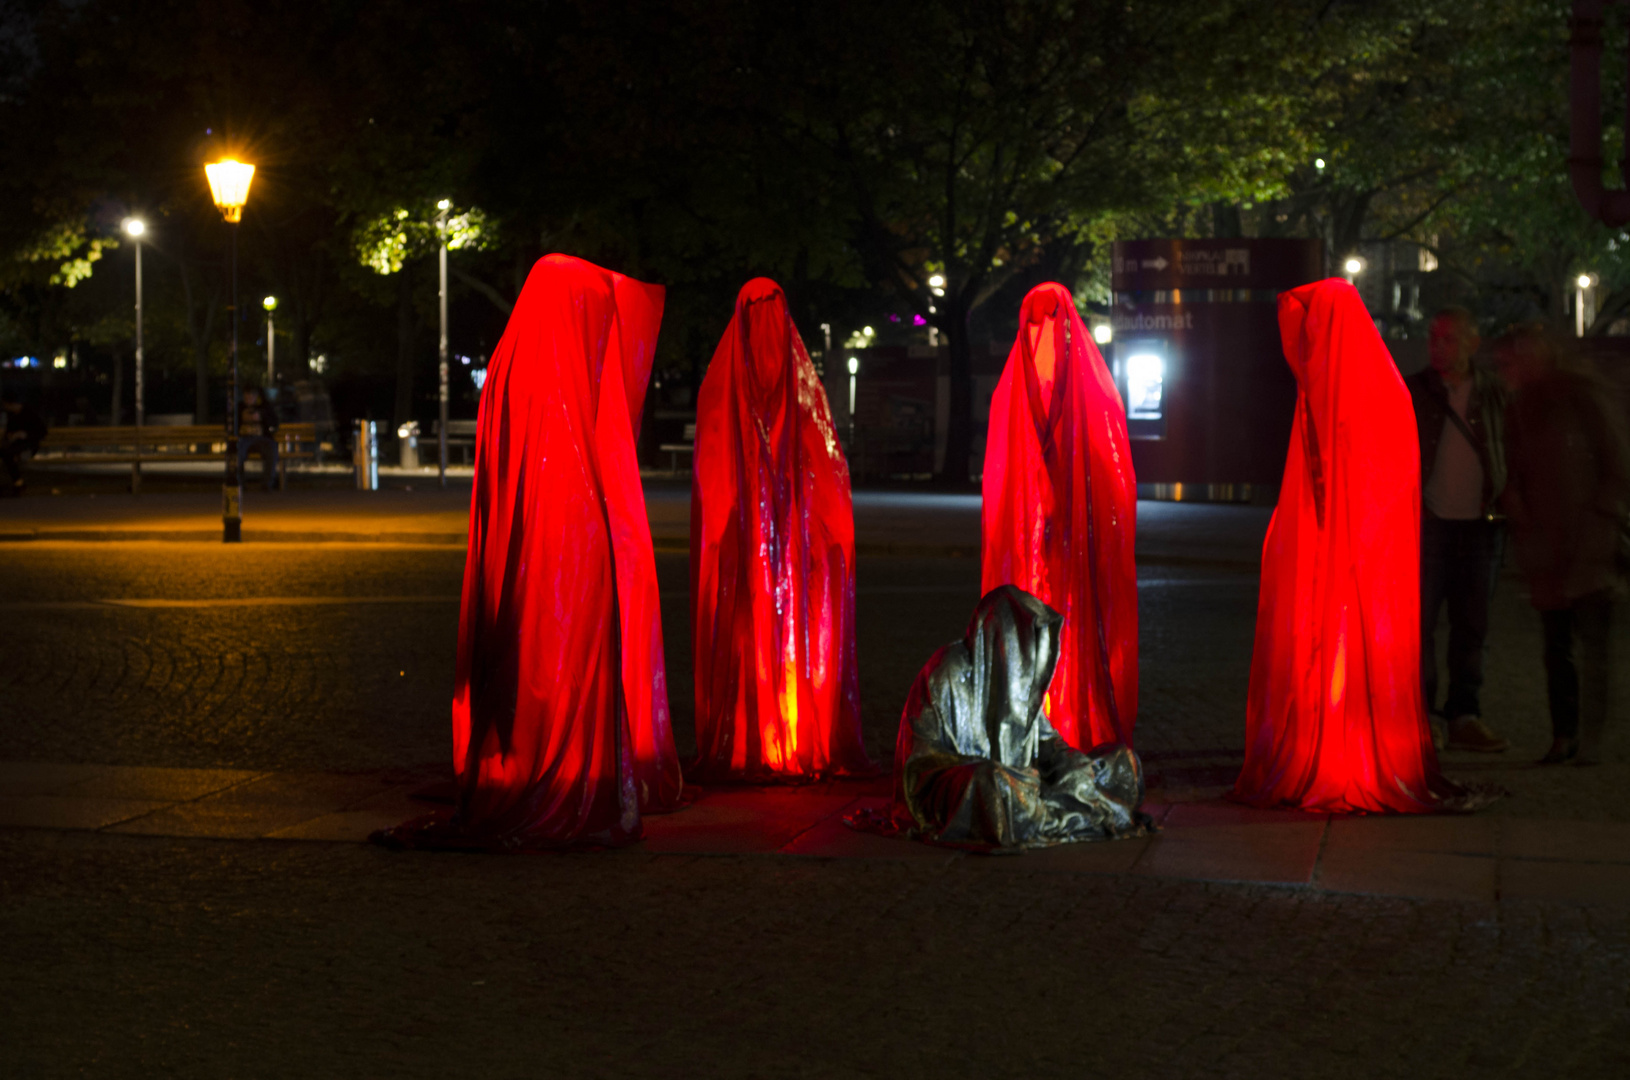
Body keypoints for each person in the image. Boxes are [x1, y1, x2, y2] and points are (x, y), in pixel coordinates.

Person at [377, 254, 684, 849]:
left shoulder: (525, 365)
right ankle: (556, 769)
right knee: (541, 651)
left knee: (543, 653)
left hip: (567, 547)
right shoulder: (546, 373)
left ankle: (553, 761)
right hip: (564, 548)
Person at [1233, 279, 1497, 813]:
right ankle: (1341, 733)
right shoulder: (1330, 396)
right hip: (1338, 559)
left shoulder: (1375, 394)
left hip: (1368, 561)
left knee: (1461, 624)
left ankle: (1389, 730)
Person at [689, 278, 873, 781]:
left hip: (792, 555)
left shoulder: (803, 401)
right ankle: (756, 733)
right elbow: (714, 481)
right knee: (752, 638)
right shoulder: (721, 395)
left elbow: (826, 480)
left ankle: (787, 732)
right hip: (744, 556)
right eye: (755, 312)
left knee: (784, 638)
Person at [981, 282, 1138, 751]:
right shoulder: (1011, 399)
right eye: (1034, 325)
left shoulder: (1096, 401)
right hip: (1034, 551)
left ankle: (1072, 714)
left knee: (1072, 627)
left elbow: (1112, 482)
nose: (1043, 337)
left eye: (1051, 325)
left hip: (1075, 550)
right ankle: (1031, 716)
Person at [889, 585, 1152, 851]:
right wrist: (1010, 775)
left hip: (1026, 782)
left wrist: (1071, 762)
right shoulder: (946, 672)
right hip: (967, 779)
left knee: (1120, 764)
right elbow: (921, 762)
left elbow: (1049, 743)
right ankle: (1050, 812)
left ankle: (1042, 813)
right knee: (993, 783)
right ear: (1005, 643)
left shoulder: (1021, 687)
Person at [1496, 325, 1630, 766]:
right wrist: (1518, 508)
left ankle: (1588, 734)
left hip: (1586, 538)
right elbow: (1514, 468)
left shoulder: (1581, 398)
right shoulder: (1523, 408)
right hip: (1548, 542)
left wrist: (1601, 519)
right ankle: (1564, 733)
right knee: (1557, 646)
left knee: (1592, 645)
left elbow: (1614, 462)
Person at [1405, 307, 1509, 753]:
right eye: (1433, 338)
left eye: (1447, 338)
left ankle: (1464, 713)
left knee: (1472, 626)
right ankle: (1424, 715)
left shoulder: (1492, 393)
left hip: (1481, 526)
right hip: (1429, 524)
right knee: (1421, 626)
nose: (1437, 346)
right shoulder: (1417, 390)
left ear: (1471, 344)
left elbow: (1511, 448)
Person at [1, 390, 48, 496]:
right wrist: (10, 436)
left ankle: (18, 483)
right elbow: (8, 432)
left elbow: (42, 432)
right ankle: (18, 483)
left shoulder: (29, 413)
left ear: (11, 403)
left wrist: (25, 434)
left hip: (29, 445)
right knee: (6, 454)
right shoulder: (12, 415)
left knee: (7, 455)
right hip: (14, 446)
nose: (4, 407)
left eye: (5, 404)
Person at [234, 386, 280, 491]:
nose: (249, 399)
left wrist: (261, 417)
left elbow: (274, 423)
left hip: (262, 438)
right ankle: (239, 483)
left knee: (271, 450)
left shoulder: (265, 407)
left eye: (251, 397)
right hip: (244, 439)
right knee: (237, 452)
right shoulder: (239, 408)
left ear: (256, 397)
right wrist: (241, 419)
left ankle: (267, 483)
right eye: (247, 397)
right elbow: (230, 425)